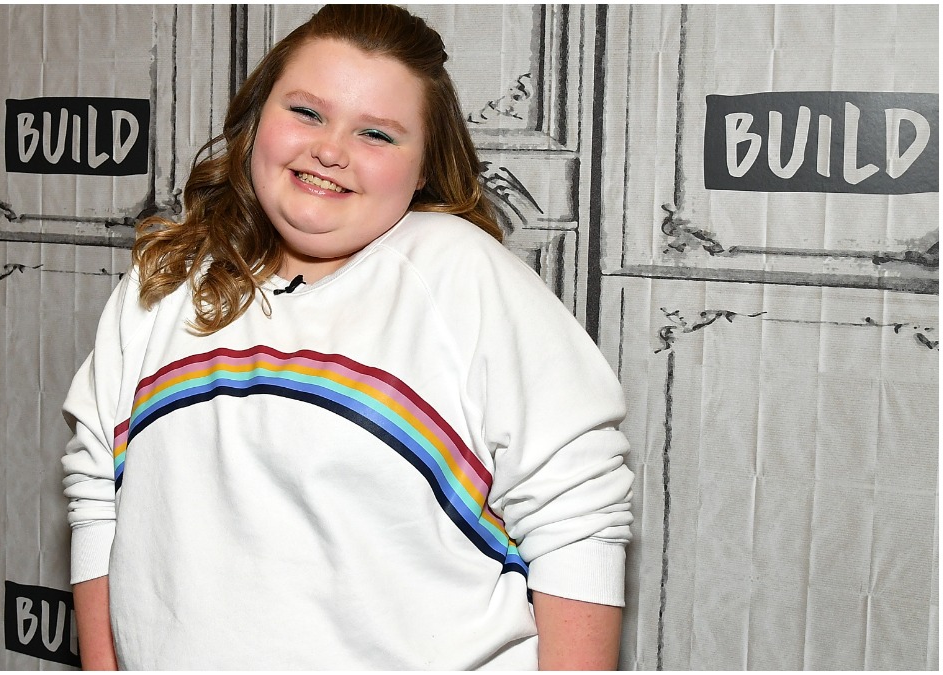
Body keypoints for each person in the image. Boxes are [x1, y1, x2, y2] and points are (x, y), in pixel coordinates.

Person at [62, 4, 633, 670]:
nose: (330, 150)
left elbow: (578, 520)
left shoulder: (463, 276)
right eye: (307, 112)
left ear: (425, 167)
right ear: (256, 117)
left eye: (377, 134)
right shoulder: (165, 278)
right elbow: (97, 495)